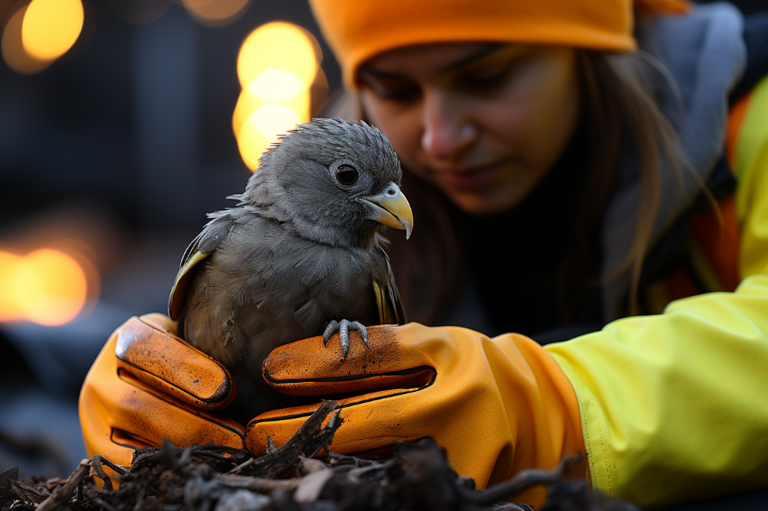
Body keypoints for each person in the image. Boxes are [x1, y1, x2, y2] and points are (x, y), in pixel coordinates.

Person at [79, 0, 768, 508]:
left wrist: (554, 408)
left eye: (487, 76)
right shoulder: (378, 208)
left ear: (589, 52)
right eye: (397, 90)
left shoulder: (752, 120)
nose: (437, 139)